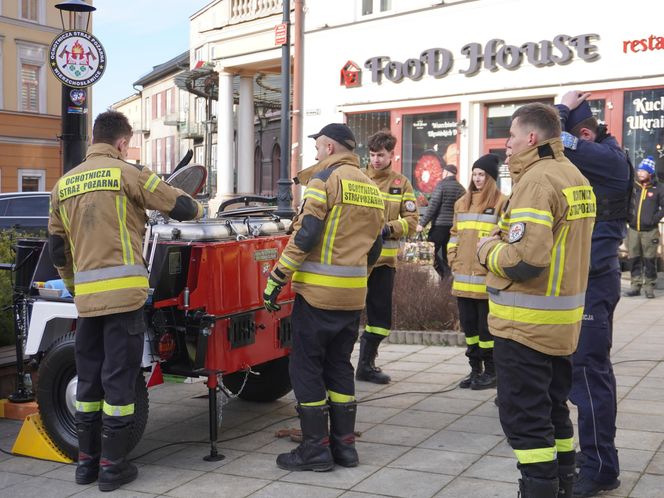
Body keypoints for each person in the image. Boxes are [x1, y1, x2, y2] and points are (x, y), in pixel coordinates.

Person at [48, 111, 203, 492]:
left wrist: (75, 286)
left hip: (86, 304)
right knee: (119, 382)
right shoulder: (130, 173)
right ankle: (114, 468)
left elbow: (56, 248)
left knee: (88, 381)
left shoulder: (63, 185)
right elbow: (182, 208)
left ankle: (86, 465)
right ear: (121, 143)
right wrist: (196, 207)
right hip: (124, 301)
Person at [477, 103, 596, 498]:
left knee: (526, 422)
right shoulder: (575, 176)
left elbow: (526, 259)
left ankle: (540, 490)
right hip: (561, 325)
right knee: (555, 412)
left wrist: (485, 251)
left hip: (524, 325)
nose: (506, 146)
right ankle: (563, 486)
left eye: (510, 136)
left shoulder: (536, 182)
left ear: (530, 137)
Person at [263, 123, 384, 471]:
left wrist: (277, 277)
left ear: (330, 147)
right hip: (352, 296)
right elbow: (374, 246)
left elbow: (306, 234)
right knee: (339, 367)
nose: (315, 154)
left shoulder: (324, 180)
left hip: (317, 296)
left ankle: (315, 450)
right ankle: (345, 449)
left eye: (317, 147)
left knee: (306, 368)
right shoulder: (370, 188)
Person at [556, 91, 632, 497]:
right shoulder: (602, 156)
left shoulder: (607, 159)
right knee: (581, 372)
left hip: (595, 280)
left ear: (583, 133)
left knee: (588, 374)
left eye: (572, 140)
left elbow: (544, 137)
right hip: (585, 279)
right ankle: (591, 458)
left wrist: (561, 109)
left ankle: (601, 467)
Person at [356, 130, 419, 384]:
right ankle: (338, 365)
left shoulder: (401, 183)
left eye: (380, 155)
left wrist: (389, 228)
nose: (376, 160)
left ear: (392, 154)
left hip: (384, 262)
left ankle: (366, 365)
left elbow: (413, 221)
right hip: (357, 261)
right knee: (347, 314)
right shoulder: (358, 179)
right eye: (372, 155)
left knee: (380, 319)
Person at [448, 153, 507, 390]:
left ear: (491, 177)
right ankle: (475, 370)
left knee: (486, 330)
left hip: (485, 280)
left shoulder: (502, 202)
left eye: (482, 174)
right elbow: (454, 236)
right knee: (470, 329)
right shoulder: (461, 203)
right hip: (463, 280)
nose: (477, 178)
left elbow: (504, 236)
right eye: (474, 174)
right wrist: (453, 259)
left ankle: (491, 372)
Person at [416, 164, 465, 277]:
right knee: (447, 254)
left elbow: (433, 207)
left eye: (443, 172)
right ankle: (447, 279)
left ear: (446, 172)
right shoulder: (461, 188)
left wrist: (422, 224)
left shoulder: (441, 186)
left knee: (429, 251)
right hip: (453, 227)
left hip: (439, 226)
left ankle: (442, 273)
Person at [625, 156, 664, 299]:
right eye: (639, 170)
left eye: (644, 171)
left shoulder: (658, 188)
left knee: (649, 260)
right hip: (634, 229)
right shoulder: (634, 187)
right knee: (634, 259)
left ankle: (650, 287)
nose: (640, 173)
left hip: (650, 231)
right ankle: (635, 285)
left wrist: (654, 219)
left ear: (650, 173)